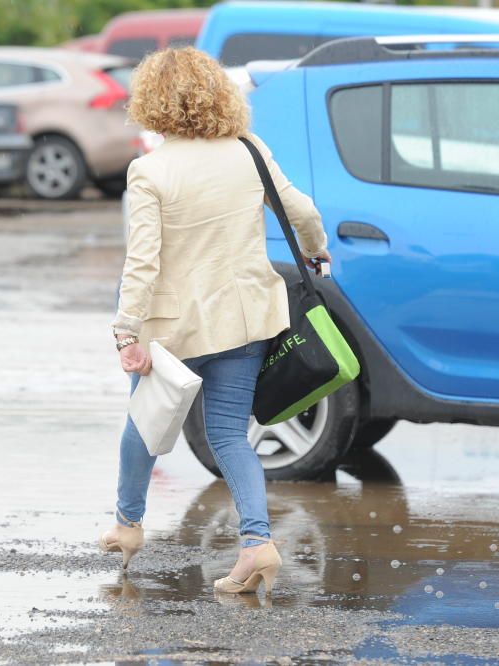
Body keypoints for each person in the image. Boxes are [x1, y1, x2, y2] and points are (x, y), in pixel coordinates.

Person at [99, 47, 330, 595]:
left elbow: (143, 261)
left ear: (152, 102)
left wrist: (127, 331)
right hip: (245, 320)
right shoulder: (249, 151)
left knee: (145, 426)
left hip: (176, 331)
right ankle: (256, 544)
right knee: (230, 434)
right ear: (217, 95)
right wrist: (317, 251)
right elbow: (302, 212)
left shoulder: (150, 170)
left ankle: (128, 526)